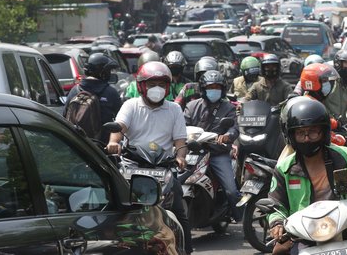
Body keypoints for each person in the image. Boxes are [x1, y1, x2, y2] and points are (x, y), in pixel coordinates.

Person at [268, 98, 347, 255]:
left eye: (313, 132)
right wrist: (276, 223)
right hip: (303, 237)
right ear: (292, 136)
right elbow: (276, 205)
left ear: (324, 132)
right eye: (301, 133)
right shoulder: (284, 168)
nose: (307, 138)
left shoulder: (346, 156)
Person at [105, 61, 193, 255]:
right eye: (152, 84)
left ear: (168, 87)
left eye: (162, 84)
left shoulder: (174, 110)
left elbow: (180, 141)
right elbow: (119, 128)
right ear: (141, 86)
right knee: (113, 206)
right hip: (132, 166)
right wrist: (114, 143)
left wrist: (180, 156)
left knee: (179, 210)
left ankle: (186, 249)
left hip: (163, 168)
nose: (157, 89)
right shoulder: (131, 105)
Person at [184, 70, 242, 222]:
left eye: (217, 87)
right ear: (203, 89)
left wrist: (227, 136)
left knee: (231, 191)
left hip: (217, 153)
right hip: (193, 153)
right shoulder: (191, 107)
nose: (213, 90)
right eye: (210, 87)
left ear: (222, 89)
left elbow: (234, 128)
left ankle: (239, 217)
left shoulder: (228, 108)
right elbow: (181, 127)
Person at [63, 53, 122, 144]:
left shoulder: (74, 90)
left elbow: (65, 116)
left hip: (75, 146)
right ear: (103, 72)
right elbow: (121, 121)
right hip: (102, 148)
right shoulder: (111, 93)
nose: (109, 73)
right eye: (108, 70)